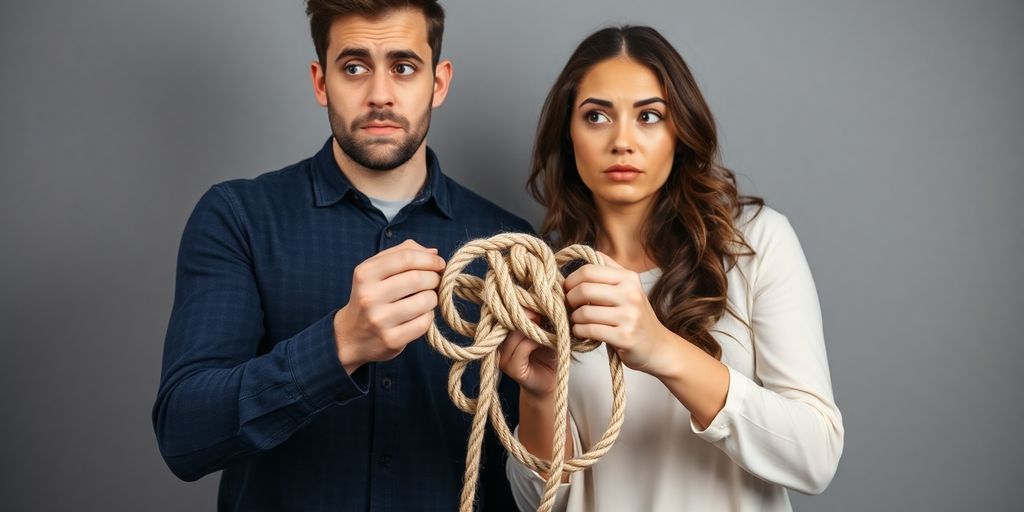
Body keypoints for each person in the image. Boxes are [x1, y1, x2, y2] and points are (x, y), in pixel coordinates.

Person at [152, 1, 530, 510]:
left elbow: (526, 466)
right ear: (320, 81)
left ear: (438, 83)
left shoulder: (509, 244)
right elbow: (184, 435)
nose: (379, 95)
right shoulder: (239, 218)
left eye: (403, 67)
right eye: (354, 68)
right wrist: (340, 344)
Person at [499, 26, 844, 511]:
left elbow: (815, 456)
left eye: (649, 116)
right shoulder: (546, 284)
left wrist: (658, 346)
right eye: (596, 116)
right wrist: (538, 397)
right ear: (568, 135)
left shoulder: (754, 243)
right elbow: (543, 503)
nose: (622, 141)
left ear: (680, 132)